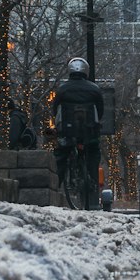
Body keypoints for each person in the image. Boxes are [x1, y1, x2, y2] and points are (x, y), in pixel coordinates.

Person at [52, 57, 104, 193]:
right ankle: (92, 178)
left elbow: (54, 108)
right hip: (89, 132)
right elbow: (100, 110)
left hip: (68, 133)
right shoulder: (95, 89)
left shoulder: (62, 89)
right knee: (93, 152)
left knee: (61, 156)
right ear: (86, 71)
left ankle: (57, 184)